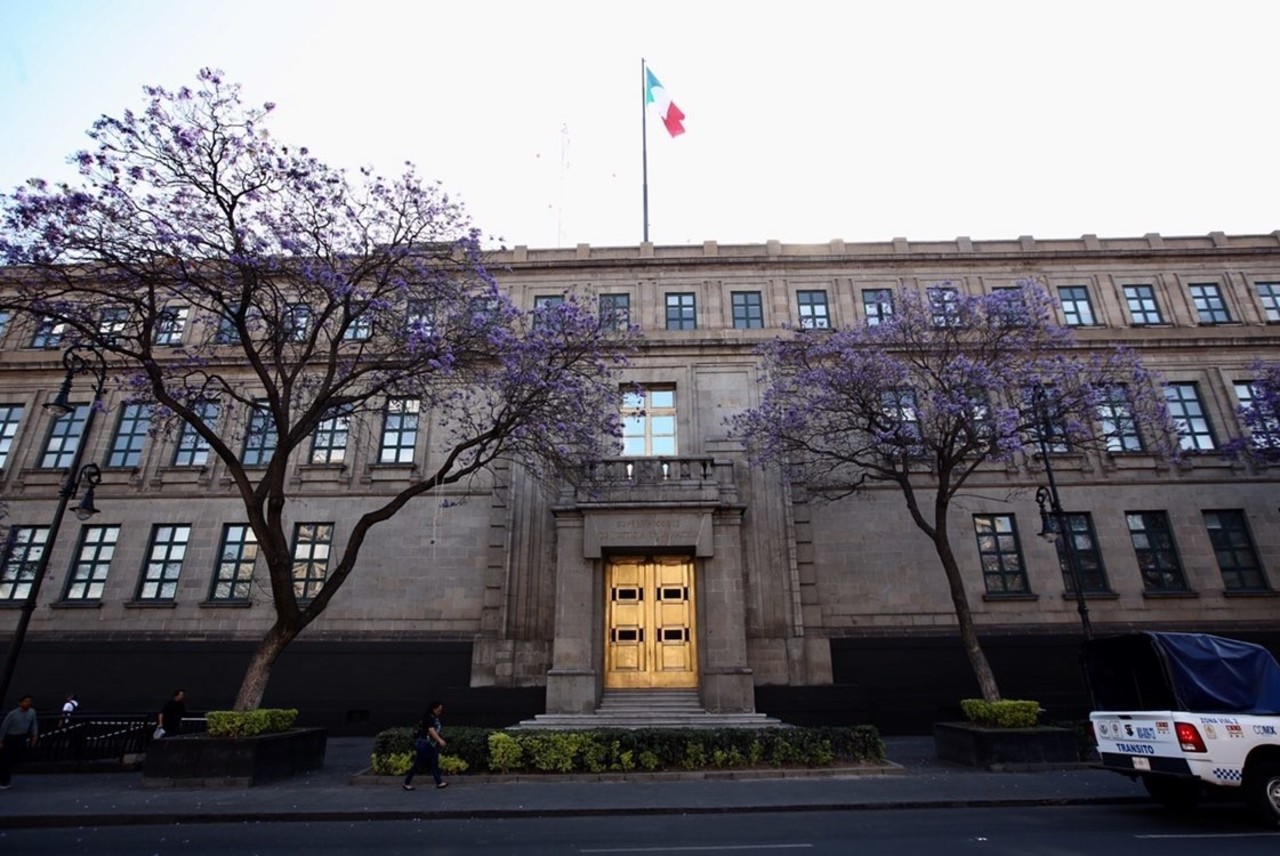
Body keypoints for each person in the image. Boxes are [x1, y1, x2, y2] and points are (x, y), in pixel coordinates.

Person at [402, 701, 447, 790]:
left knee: (434, 763)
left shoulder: (433, 717)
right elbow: (431, 730)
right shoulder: (429, 718)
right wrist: (440, 740)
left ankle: (439, 782)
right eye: (439, 710)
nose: (440, 712)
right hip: (425, 744)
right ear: (434, 709)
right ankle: (406, 782)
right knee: (418, 764)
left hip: (432, 744)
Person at [0, 695, 39, 789]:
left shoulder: (32, 712)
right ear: (20, 703)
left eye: (29, 701)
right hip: (10, 737)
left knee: (16, 758)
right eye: (26, 701)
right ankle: (4, 781)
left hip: (22, 737)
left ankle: (5, 778)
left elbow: (34, 723)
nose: (28, 703)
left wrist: (35, 735)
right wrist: (1, 740)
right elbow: (4, 727)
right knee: (7, 759)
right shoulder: (12, 714)